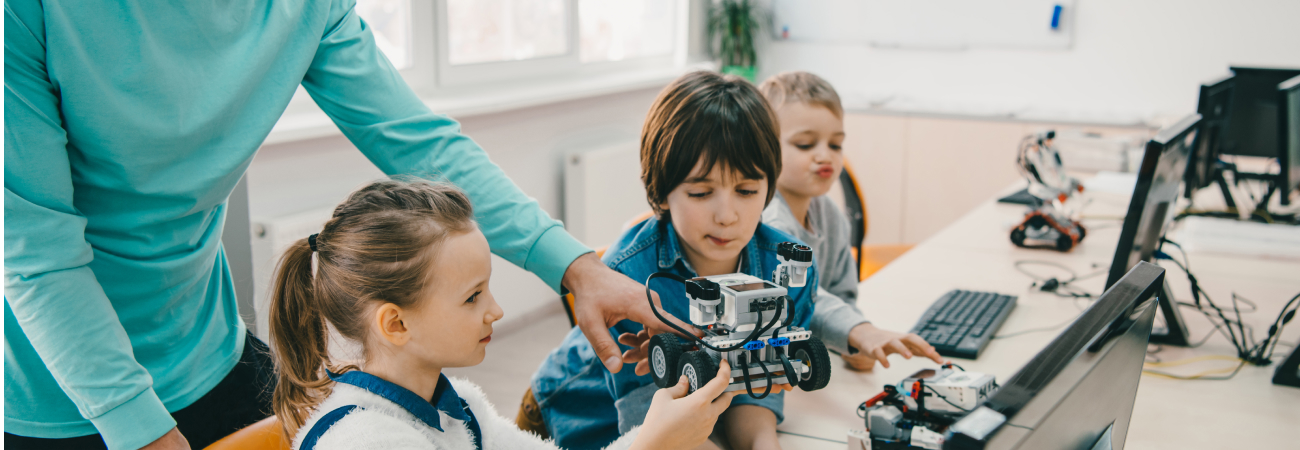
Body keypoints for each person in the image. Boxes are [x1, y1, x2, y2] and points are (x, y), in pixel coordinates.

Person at [3, 2, 681, 449]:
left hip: (206, 348)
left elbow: (420, 144)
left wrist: (574, 265)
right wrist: (141, 429)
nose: (495, 311)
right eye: (474, 296)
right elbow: (37, 254)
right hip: (59, 389)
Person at [267, 179, 735, 450]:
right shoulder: (365, 442)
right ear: (396, 323)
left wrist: (656, 435)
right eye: (473, 297)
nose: (496, 311)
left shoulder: (460, 409)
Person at [528, 72, 809, 450]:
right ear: (661, 194)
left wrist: (762, 443)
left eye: (746, 190)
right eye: (700, 192)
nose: (727, 215)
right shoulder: (631, 275)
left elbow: (754, 386)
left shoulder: (787, 268)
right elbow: (652, 426)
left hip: (700, 416)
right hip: (581, 416)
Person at [756, 72, 945, 372]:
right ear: (763, 148)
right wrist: (858, 331)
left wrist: (853, 343)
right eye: (805, 145)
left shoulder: (829, 215)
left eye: (835, 144)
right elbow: (799, 297)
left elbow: (843, 293)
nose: (824, 156)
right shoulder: (771, 222)